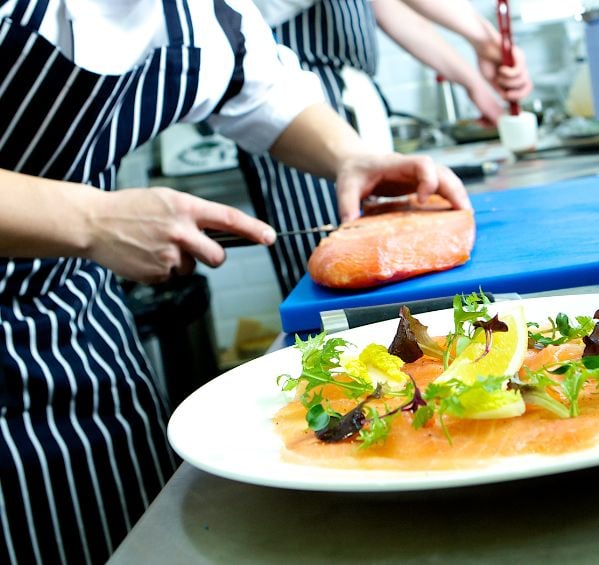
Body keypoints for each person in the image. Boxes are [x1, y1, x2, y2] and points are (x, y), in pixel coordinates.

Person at [0, 1, 469, 563]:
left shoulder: (201, 11)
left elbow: (261, 87)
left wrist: (351, 155)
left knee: (130, 526)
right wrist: (88, 219)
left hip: (77, 317)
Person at [243, 0, 533, 295]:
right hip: (298, 114)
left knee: (393, 281)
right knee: (331, 288)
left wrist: (474, 82)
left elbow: (384, 5)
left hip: (353, 103)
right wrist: (483, 36)